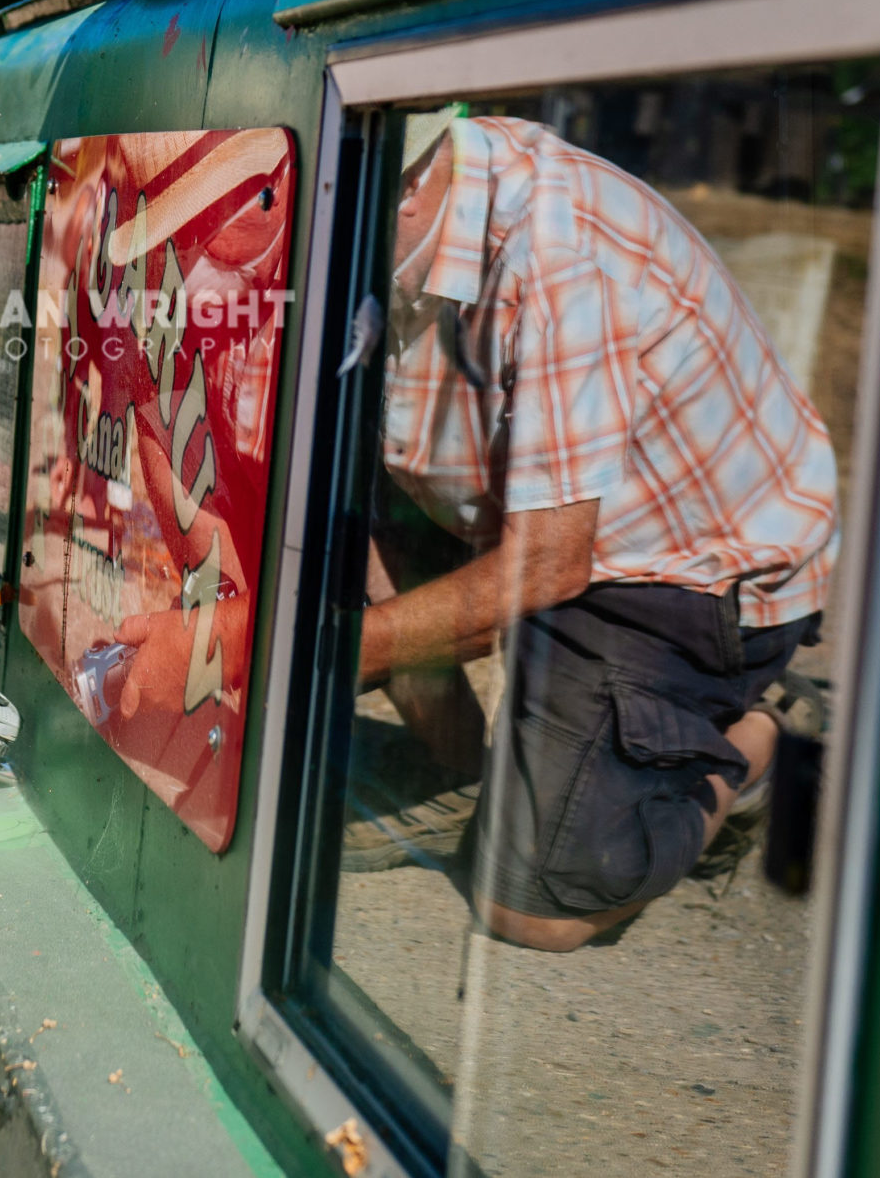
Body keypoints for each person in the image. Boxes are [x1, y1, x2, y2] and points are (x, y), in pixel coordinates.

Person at [347, 112, 838, 951]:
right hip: (530, 510)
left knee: (533, 905)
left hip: (685, 571)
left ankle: (754, 739)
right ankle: (464, 774)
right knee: (324, 554)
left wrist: (345, 649)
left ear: (405, 191)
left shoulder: (555, 250)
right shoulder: (401, 205)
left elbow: (546, 563)